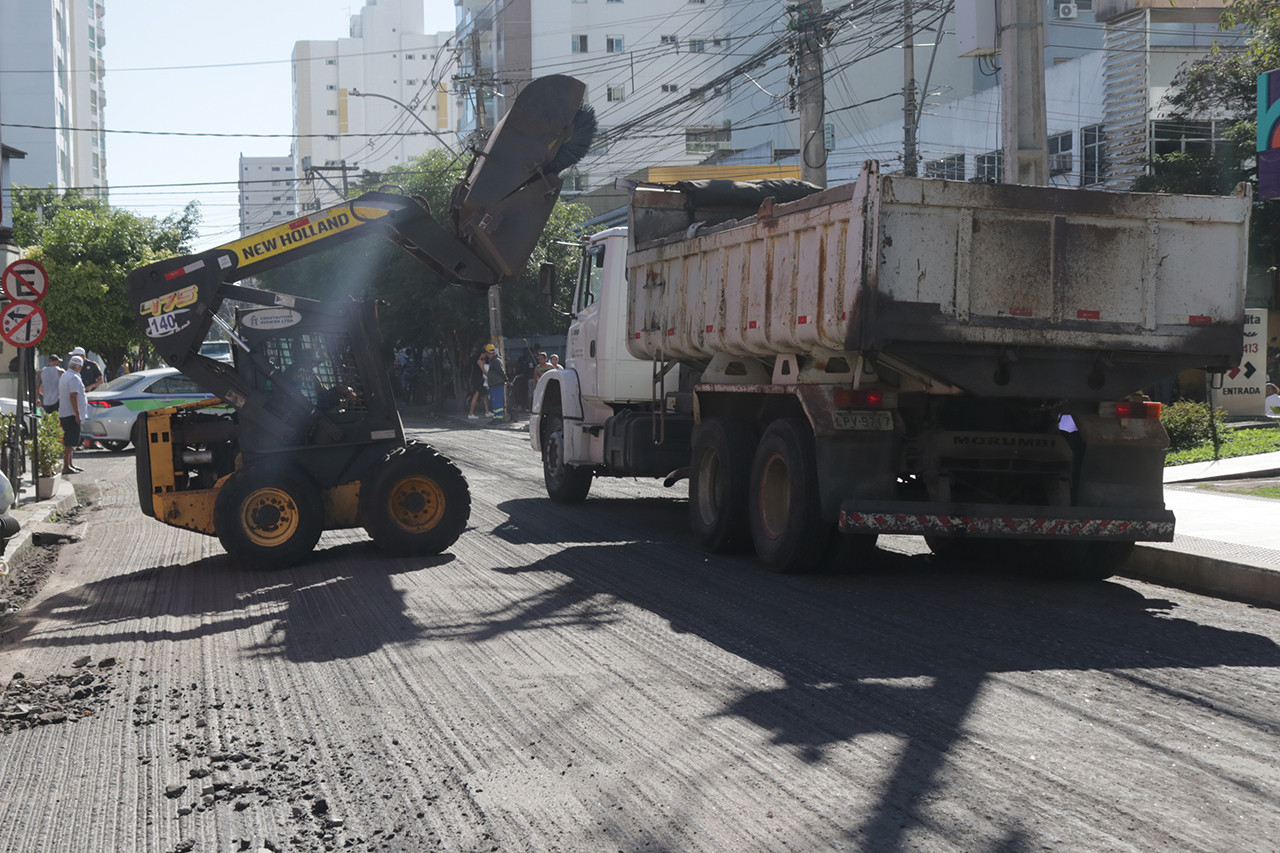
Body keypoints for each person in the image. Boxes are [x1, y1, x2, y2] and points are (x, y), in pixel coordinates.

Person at [58, 355, 88, 474]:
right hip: (71, 414)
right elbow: (73, 395)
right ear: (79, 367)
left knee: (70, 441)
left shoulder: (65, 375)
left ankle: (70, 464)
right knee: (69, 442)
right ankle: (67, 466)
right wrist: (77, 413)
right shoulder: (74, 377)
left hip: (66, 412)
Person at [485, 344, 508, 424]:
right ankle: (496, 417)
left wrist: (506, 380)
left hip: (498, 384)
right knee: (495, 401)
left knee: (498, 401)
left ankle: (499, 418)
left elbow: (501, 372)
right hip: (494, 384)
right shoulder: (493, 360)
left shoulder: (496, 361)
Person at [467, 347, 491, 419]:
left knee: (484, 395)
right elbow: (484, 371)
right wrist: (490, 376)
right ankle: (471, 413)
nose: (486, 355)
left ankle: (487, 411)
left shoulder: (478, 360)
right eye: (485, 354)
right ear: (482, 354)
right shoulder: (479, 361)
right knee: (476, 395)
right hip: (477, 380)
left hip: (477, 379)